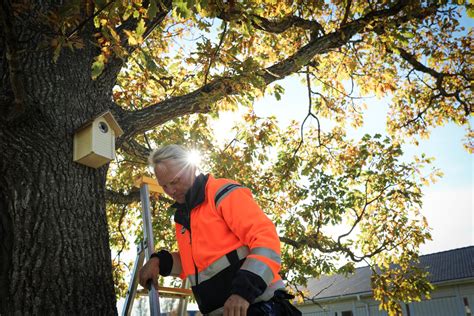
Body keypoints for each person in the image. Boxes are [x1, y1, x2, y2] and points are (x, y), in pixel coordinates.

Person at [138, 144, 301, 315]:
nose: (170, 190)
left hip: (260, 306)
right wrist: (159, 261)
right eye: (164, 186)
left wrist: (243, 293)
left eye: (175, 181)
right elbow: (193, 266)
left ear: (191, 167)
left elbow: (266, 241)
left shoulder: (222, 193)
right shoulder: (184, 217)